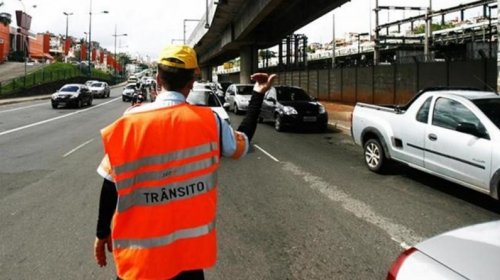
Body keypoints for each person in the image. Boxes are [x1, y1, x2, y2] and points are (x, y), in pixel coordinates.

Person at [94, 44, 276, 280]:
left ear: (158, 78)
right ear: (192, 82)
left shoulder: (129, 123)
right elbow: (244, 140)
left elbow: (110, 185)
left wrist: (101, 233)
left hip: (139, 265)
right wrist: (258, 93)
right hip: (187, 262)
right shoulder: (211, 122)